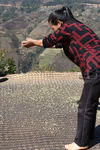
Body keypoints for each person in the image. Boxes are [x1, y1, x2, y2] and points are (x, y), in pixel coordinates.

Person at [22, 6, 100, 150]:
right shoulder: (76, 26)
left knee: (85, 106)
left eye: (53, 28)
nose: (54, 31)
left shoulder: (67, 27)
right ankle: (88, 135)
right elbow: (57, 43)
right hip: (97, 67)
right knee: (91, 104)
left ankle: (81, 142)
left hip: (95, 68)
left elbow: (48, 41)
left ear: (58, 22)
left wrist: (33, 42)